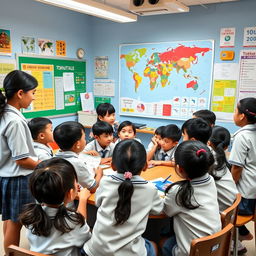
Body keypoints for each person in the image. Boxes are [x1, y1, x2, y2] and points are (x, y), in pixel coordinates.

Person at [82, 139, 163, 256]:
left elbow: (98, 202)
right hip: (130, 252)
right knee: (153, 246)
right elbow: (158, 210)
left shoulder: (105, 181)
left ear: (112, 165)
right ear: (145, 166)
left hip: (95, 251)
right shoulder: (149, 189)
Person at [0, 70, 39, 253]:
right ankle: (12, 253)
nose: (33, 98)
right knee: (16, 223)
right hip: (18, 179)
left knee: (9, 219)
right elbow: (22, 160)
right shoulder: (15, 120)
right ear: (20, 93)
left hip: (6, 177)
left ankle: (8, 251)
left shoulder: (5, 114)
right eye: (32, 93)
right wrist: (44, 165)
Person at [20, 158, 91, 256]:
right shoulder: (74, 222)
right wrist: (83, 200)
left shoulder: (30, 217)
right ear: (70, 193)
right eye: (75, 182)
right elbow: (86, 240)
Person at [162, 141, 221, 256]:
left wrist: (172, 191)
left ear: (180, 169)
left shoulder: (180, 192)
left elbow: (166, 212)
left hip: (193, 251)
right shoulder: (210, 180)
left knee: (164, 243)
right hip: (214, 245)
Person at [229, 97, 256, 253]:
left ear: (242, 116)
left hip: (246, 194)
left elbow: (237, 168)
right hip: (253, 190)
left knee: (222, 205)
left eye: (235, 111)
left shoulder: (242, 136)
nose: (234, 114)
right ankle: (242, 236)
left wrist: (230, 187)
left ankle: (236, 241)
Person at [54, 121, 102, 192]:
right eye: (84, 137)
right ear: (78, 143)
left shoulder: (55, 157)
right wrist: (99, 174)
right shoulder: (76, 163)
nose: (85, 140)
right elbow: (92, 188)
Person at [208, 126, 238, 212]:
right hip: (230, 206)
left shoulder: (210, 160)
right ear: (226, 147)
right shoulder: (222, 158)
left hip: (221, 212)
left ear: (208, 143)